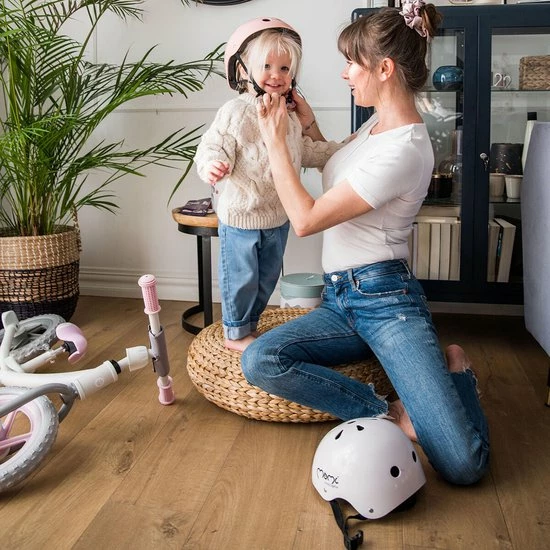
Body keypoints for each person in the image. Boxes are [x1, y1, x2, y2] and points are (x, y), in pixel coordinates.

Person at [242, 2, 490, 486]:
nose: (345, 73)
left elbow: (307, 220)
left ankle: (456, 369)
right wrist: (309, 127)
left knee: (464, 467)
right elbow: (336, 165)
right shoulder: (372, 127)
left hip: (386, 302)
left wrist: (274, 144)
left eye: (352, 63)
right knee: (261, 360)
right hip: (341, 299)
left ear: (384, 68)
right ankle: (387, 411)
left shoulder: (404, 149)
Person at [195, 17, 341, 352]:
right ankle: (235, 332)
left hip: (278, 216)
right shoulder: (235, 111)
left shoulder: (289, 115)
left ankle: (250, 325)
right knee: (241, 278)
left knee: (266, 279)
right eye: (267, 66)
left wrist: (340, 150)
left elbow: (304, 151)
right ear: (243, 70)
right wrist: (212, 165)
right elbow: (213, 145)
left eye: (284, 68)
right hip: (241, 215)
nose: (276, 75)